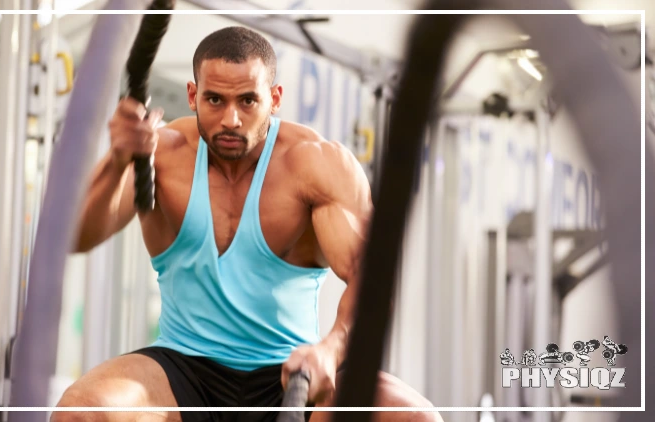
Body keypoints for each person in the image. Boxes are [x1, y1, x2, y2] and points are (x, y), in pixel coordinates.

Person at [53, 26, 442, 422]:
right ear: (192, 96)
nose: (231, 119)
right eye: (215, 100)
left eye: (248, 101)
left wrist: (331, 349)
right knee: (78, 413)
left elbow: (371, 278)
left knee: (417, 419)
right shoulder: (162, 153)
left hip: (291, 375)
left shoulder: (315, 164)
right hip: (183, 370)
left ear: (274, 99)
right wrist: (118, 164)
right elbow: (71, 237)